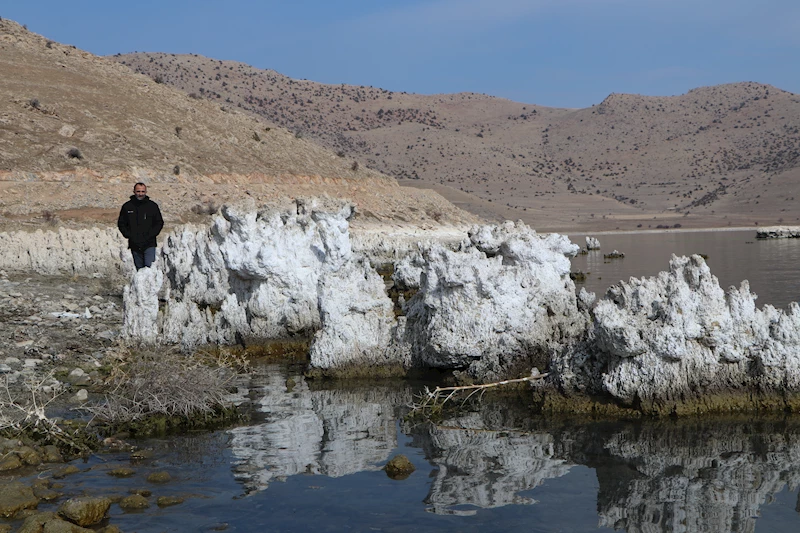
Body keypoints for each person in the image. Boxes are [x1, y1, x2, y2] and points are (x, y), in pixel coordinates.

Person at [117, 182, 164, 270]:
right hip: (135, 244)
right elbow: (121, 223)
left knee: (149, 269)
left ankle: (150, 284)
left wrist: (151, 235)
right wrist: (128, 235)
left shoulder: (152, 206)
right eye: (138, 191)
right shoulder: (127, 206)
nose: (140, 194)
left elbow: (159, 222)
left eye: (143, 191)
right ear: (134, 191)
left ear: (146, 192)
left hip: (149, 243)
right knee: (139, 270)